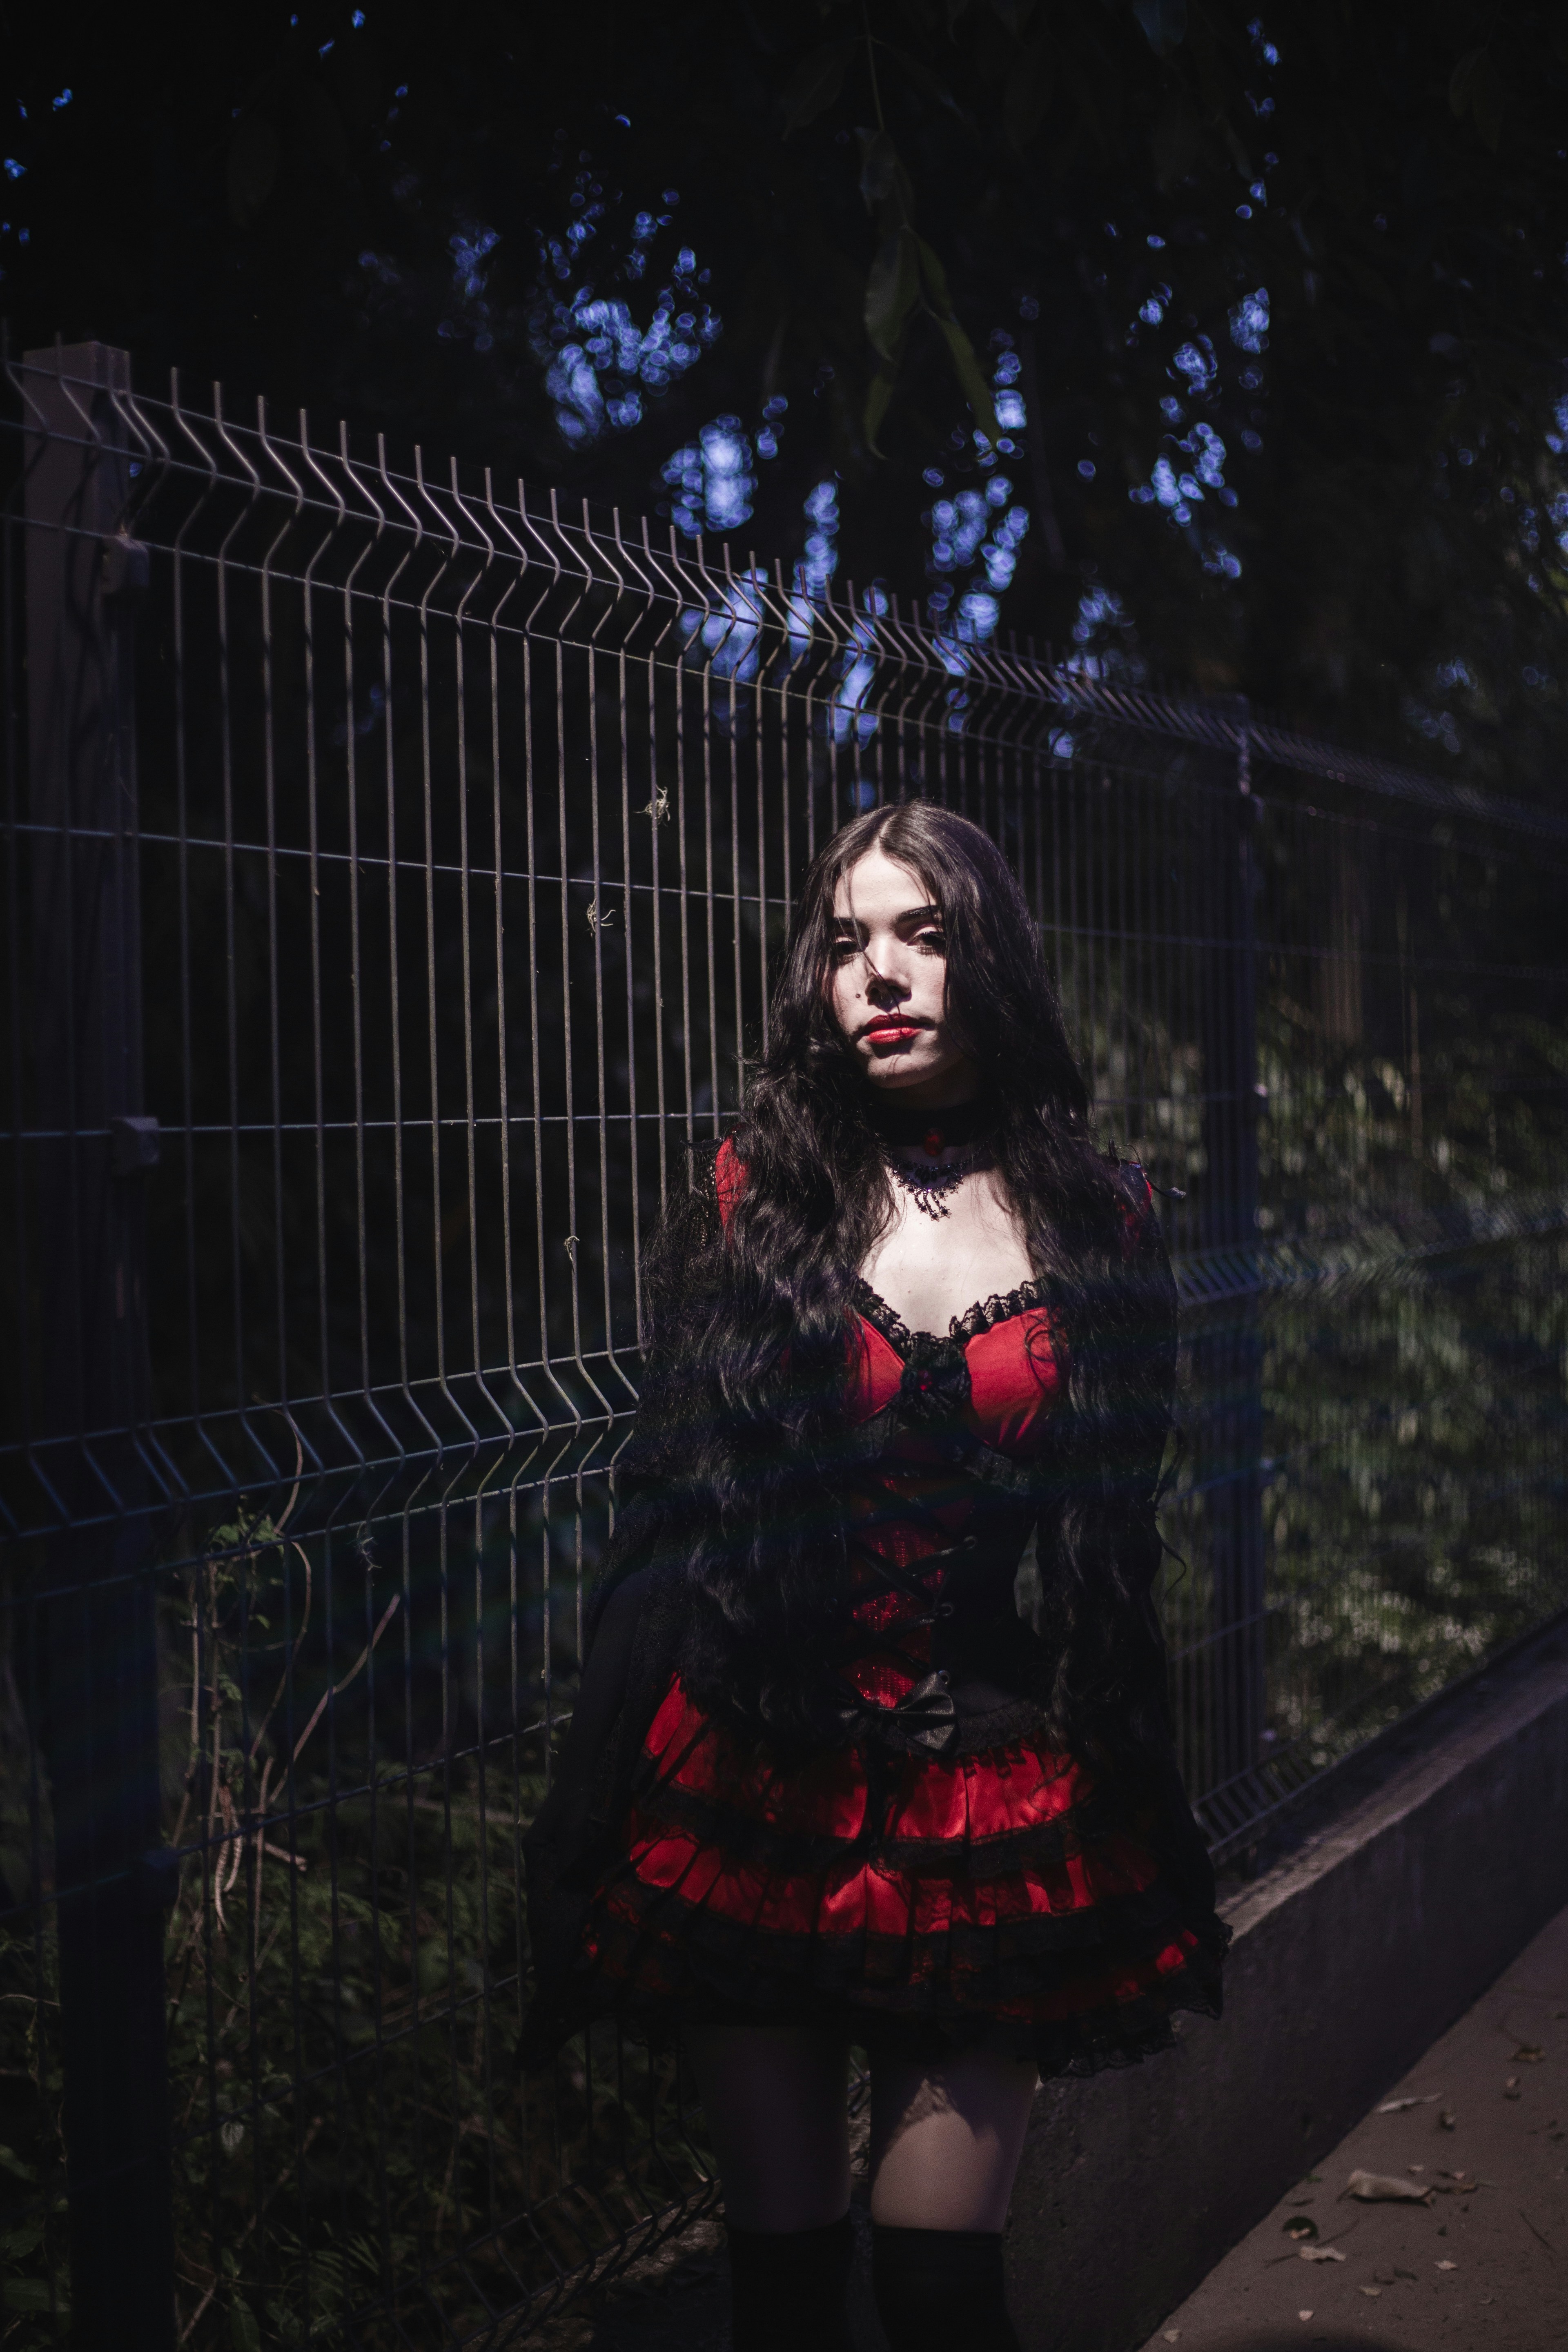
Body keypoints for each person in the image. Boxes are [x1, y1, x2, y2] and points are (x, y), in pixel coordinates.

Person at [522, 803, 1228, 2351]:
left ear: (992, 959)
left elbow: (1115, 1545)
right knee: (781, 2280)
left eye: (920, 935)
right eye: (848, 944)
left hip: (985, 1802)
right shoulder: (756, 1202)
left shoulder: (1104, 1223)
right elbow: (668, 1518)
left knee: (937, 2281)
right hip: (754, 1790)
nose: (881, 977)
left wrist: (1130, 1777)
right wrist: (592, 1800)